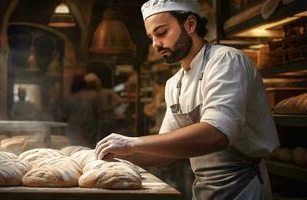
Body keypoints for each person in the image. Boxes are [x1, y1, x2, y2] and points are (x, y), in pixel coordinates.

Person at [95, 0, 280, 199]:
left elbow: (217, 133)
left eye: (161, 32)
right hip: (203, 188)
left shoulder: (226, 61)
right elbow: (164, 154)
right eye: (151, 37)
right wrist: (114, 153)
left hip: (243, 186)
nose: (156, 44)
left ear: (190, 24)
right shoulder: (174, 83)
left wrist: (133, 143)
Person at [62, 74, 101, 148]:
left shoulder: (69, 98)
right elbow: (99, 114)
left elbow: (64, 117)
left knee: (76, 152)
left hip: (74, 131)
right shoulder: (94, 95)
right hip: (90, 129)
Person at [84, 73, 121, 139]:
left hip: (107, 120)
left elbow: (118, 101)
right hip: (94, 123)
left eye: (94, 82)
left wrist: (107, 109)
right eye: (91, 83)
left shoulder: (107, 92)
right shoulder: (89, 95)